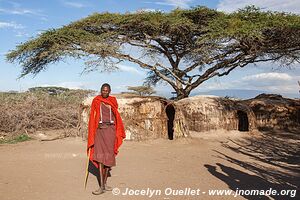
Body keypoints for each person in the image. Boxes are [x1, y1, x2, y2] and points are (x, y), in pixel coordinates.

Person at [87, 83, 126, 195]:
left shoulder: (113, 101)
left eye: (107, 90)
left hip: (110, 132)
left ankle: (105, 183)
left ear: (109, 91)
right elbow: (92, 117)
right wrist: (93, 129)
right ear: (101, 90)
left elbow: (116, 117)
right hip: (99, 132)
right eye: (103, 90)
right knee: (100, 158)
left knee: (108, 158)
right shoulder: (96, 101)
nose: (104, 92)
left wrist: (116, 130)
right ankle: (101, 186)